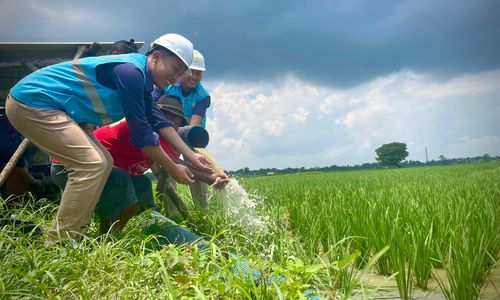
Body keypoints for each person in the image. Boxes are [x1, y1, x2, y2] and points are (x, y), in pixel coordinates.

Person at [5, 33, 213, 244]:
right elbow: (143, 136)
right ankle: (59, 243)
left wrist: (191, 156)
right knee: (92, 164)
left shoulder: (144, 82)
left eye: (180, 73)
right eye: (175, 69)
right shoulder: (131, 72)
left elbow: (159, 121)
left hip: (49, 107)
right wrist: (172, 167)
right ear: (157, 56)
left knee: (103, 163)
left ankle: (76, 233)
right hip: (32, 101)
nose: (176, 77)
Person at [51, 95, 218, 234]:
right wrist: (210, 177)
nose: (172, 124)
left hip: (100, 173)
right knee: (120, 180)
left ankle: (148, 226)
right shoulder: (138, 128)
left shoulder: (163, 139)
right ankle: (105, 239)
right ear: (156, 116)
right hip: (70, 168)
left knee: (142, 183)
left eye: (177, 121)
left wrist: (213, 174)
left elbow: (179, 162)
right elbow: (169, 161)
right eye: (168, 117)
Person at [163, 50, 226, 212]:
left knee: (200, 168)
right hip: (168, 135)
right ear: (183, 71)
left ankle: (202, 214)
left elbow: (193, 126)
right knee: (168, 170)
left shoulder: (202, 95)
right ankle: (173, 215)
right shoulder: (168, 88)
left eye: (199, 73)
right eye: (192, 72)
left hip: (193, 137)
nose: (195, 77)